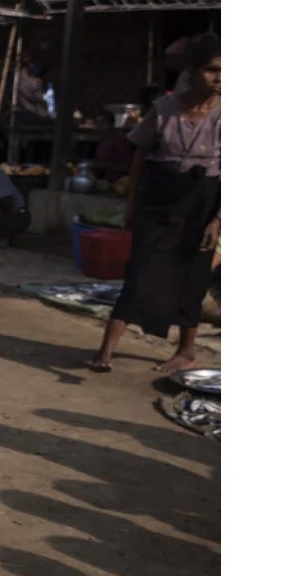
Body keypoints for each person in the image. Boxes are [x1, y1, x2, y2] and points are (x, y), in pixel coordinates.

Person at [88, 35, 220, 374]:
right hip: (160, 198)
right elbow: (140, 158)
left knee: (193, 277)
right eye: (212, 70)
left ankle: (186, 350)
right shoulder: (164, 109)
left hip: (205, 201)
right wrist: (131, 204)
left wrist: (218, 220)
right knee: (140, 271)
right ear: (192, 71)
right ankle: (104, 350)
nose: (219, 79)